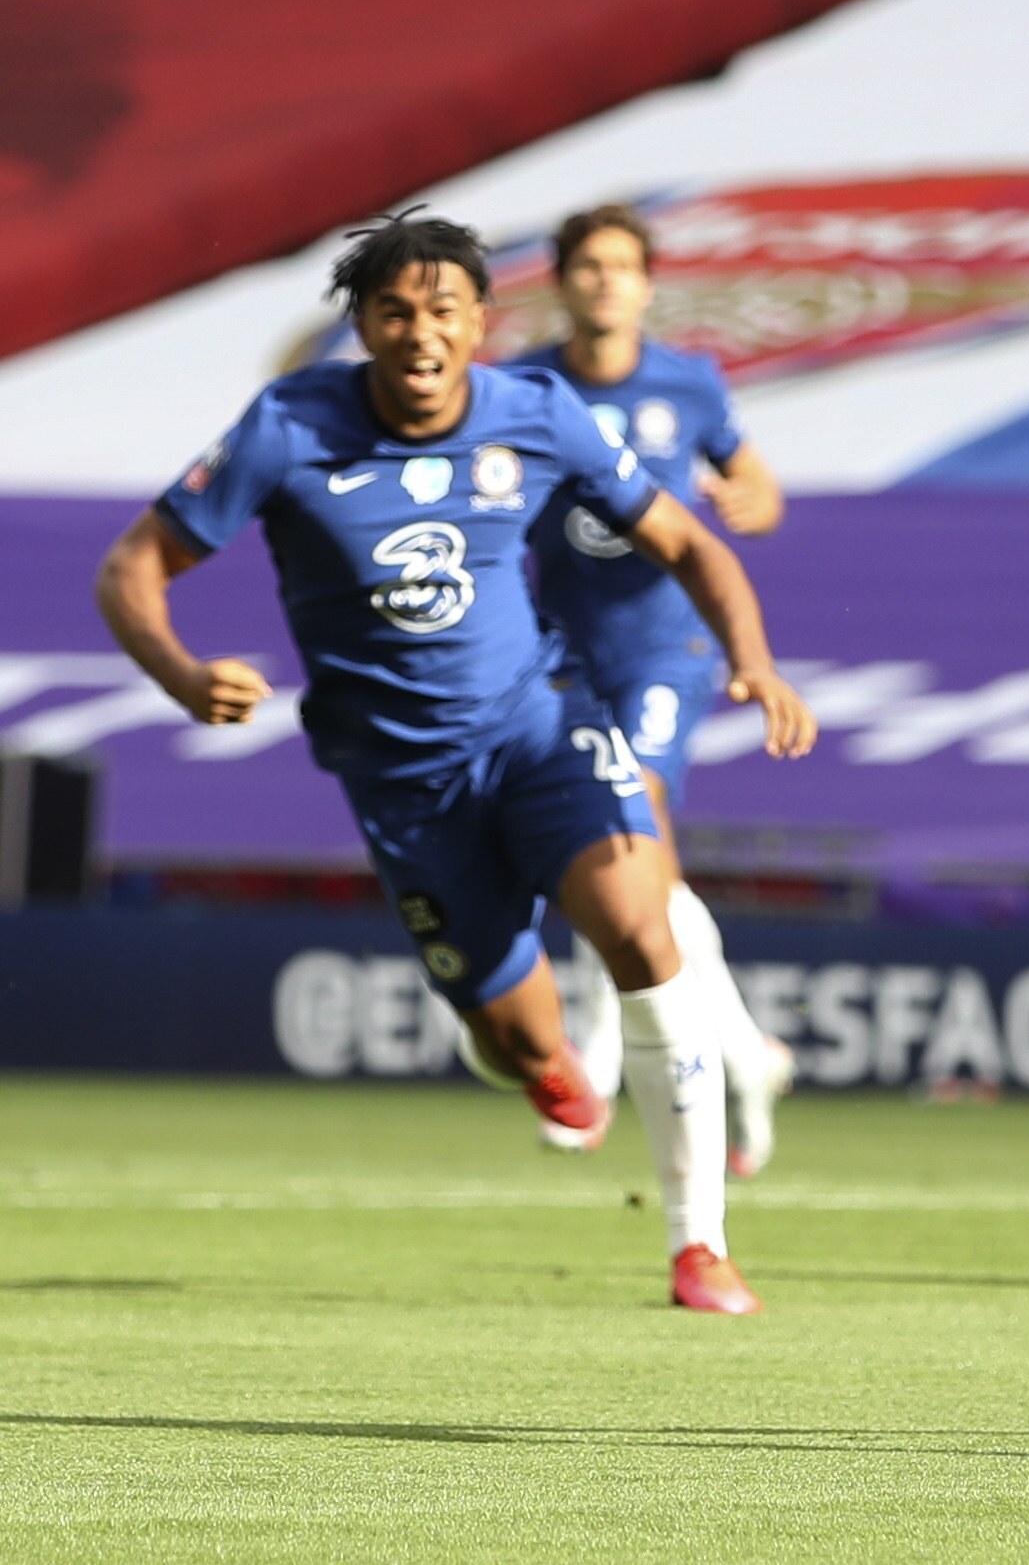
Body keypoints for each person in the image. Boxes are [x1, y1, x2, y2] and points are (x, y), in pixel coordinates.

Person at [94, 212, 817, 1314]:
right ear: (363, 325)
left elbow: (691, 541)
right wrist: (181, 672)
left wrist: (754, 663)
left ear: (482, 322)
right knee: (512, 1031)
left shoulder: (536, 412)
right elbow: (133, 566)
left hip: (540, 728)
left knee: (640, 924)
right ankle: (538, 1063)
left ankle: (698, 1243)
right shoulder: (289, 425)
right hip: (402, 779)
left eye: (443, 310)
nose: (420, 334)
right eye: (394, 311)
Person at [505, 204, 797, 1176]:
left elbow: (755, 491)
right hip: (564, 652)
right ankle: (746, 1049)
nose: (603, 282)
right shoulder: (525, 388)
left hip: (664, 649)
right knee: (637, 867)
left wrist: (745, 502)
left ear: (647, 285)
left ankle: (590, 1061)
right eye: (586, 265)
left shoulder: (688, 383)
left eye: (621, 266)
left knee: (624, 822)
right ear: (560, 281)